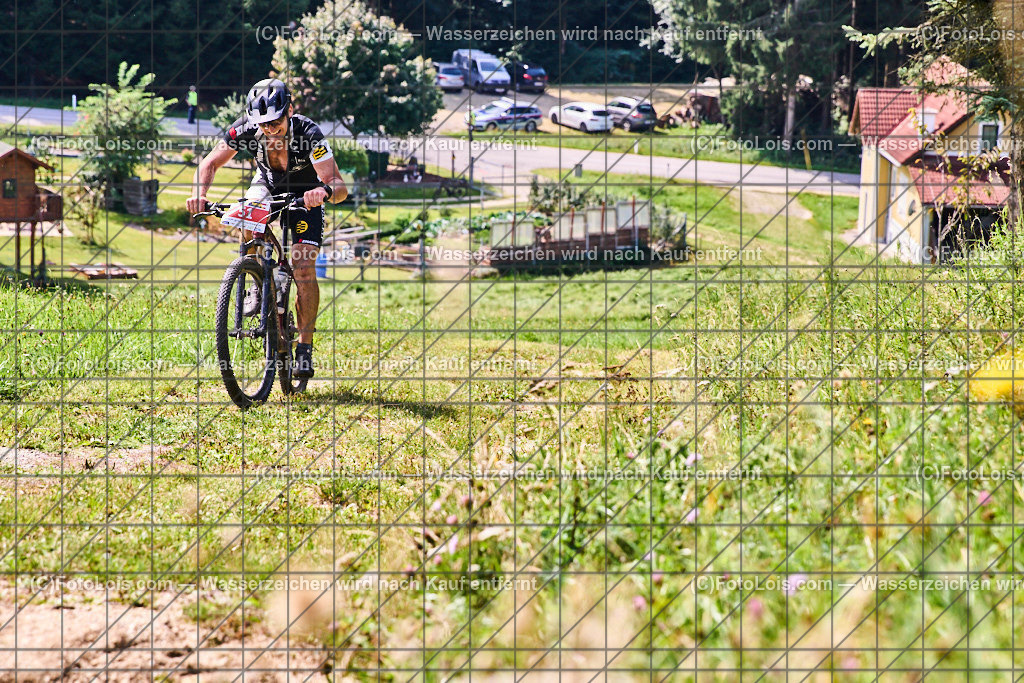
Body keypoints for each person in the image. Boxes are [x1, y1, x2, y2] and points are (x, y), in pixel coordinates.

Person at [186, 78, 348, 378]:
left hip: (306, 194)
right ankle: (256, 280)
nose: (270, 130)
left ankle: (304, 347)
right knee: (245, 215)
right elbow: (209, 163)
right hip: (268, 186)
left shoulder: (309, 133)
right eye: (264, 125)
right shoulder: (245, 129)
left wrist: (323, 192)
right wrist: (200, 193)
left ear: (289, 110)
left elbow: (340, 186)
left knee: (302, 268)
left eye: (276, 122)